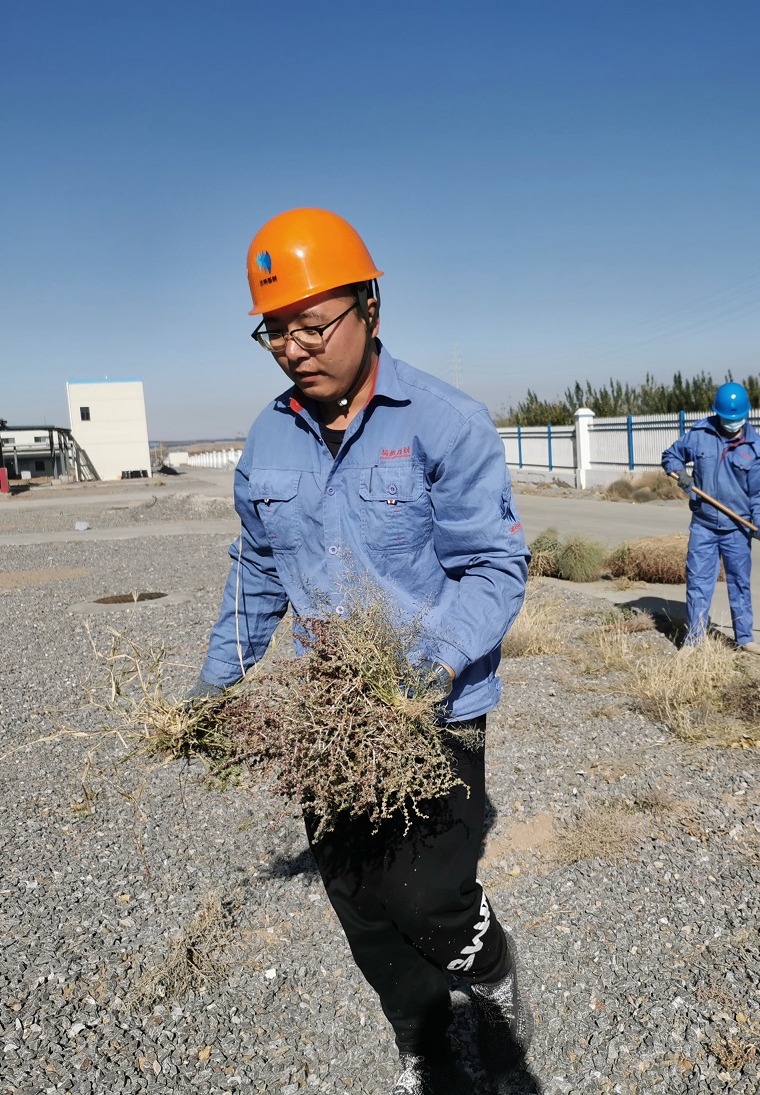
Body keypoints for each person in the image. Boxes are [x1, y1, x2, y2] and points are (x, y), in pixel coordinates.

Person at [187, 208, 532, 1094]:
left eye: (313, 325)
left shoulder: (445, 423)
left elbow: (496, 568)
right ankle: (425, 1045)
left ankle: (491, 976)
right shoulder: (268, 439)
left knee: (426, 896)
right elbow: (256, 576)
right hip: (331, 719)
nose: (294, 349)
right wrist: (211, 690)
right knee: (359, 902)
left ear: (370, 307)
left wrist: (429, 664)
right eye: (275, 332)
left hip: (434, 706)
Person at [660, 382, 760, 654]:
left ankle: (744, 638)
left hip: (738, 527)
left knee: (739, 583)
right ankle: (694, 640)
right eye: (727, 418)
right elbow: (671, 456)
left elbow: (759, 492)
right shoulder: (701, 435)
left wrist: (759, 521)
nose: (732, 423)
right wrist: (681, 474)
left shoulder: (756, 447)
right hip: (704, 525)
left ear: (745, 414)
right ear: (717, 413)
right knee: (698, 582)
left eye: (737, 418)